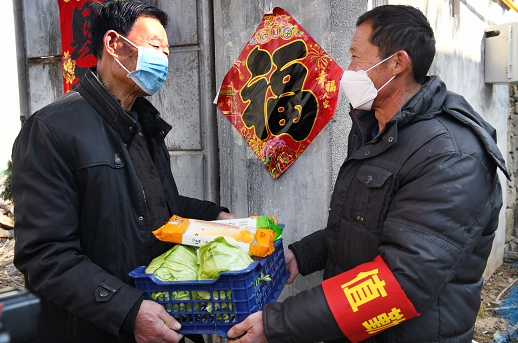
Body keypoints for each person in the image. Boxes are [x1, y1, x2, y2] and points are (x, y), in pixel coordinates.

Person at [227, 5, 509, 343]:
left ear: (397, 63)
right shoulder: (373, 128)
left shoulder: (452, 154)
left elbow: (402, 281)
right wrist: (302, 256)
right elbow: (360, 224)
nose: (347, 71)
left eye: (356, 57)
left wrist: (278, 324)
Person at [11, 1, 235, 342]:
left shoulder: (142, 123)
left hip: (164, 316)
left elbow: (152, 203)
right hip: (100, 329)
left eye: (168, 52)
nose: (164, 60)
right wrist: (128, 310)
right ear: (114, 44)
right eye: (155, 47)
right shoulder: (52, 129)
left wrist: (214, 216)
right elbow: (45, 255)